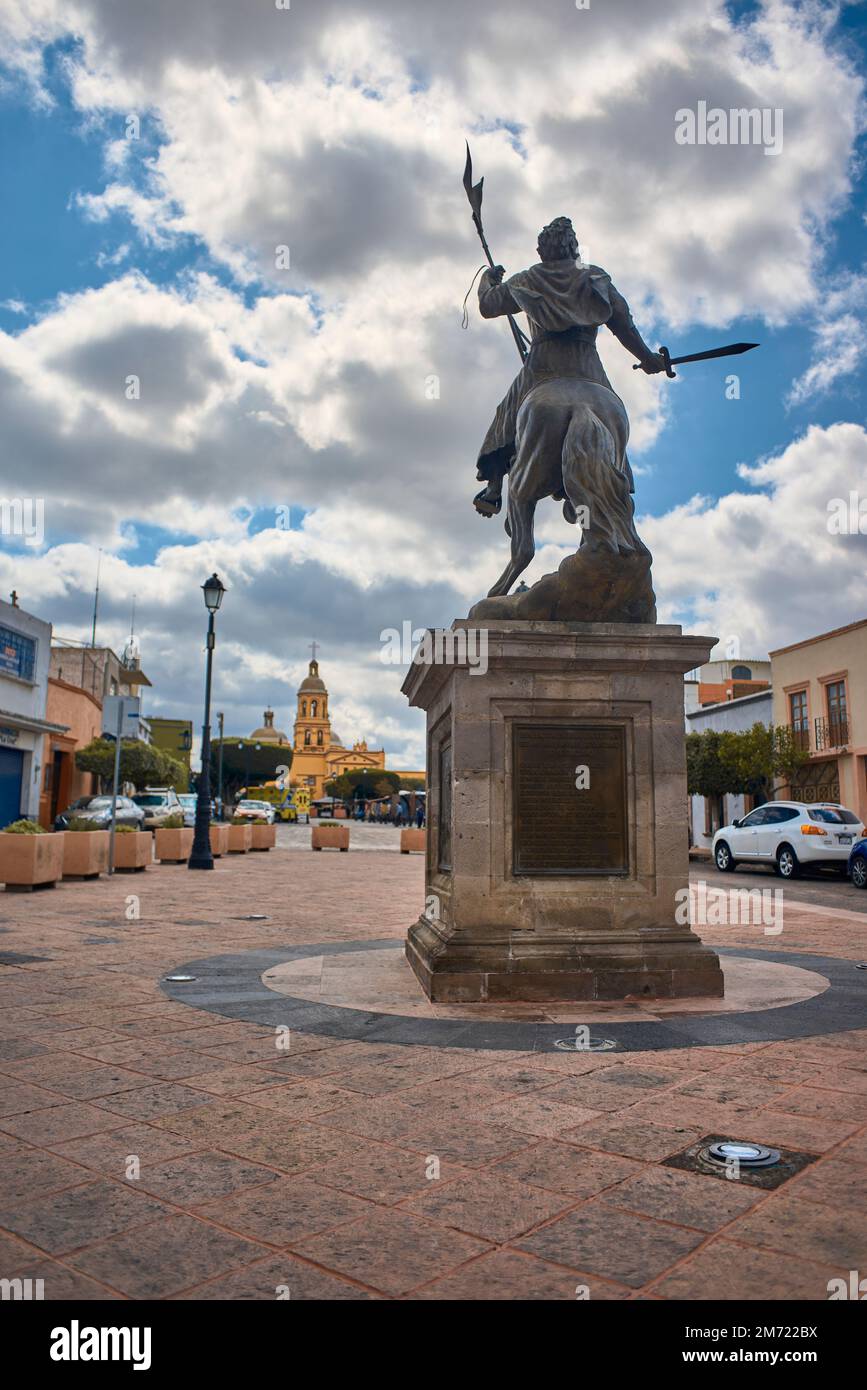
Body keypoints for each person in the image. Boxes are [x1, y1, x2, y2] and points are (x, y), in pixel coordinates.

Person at [473, 216, 666, 519]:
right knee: (611, 412)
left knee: (506, 415)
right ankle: (618, 478)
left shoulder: (529, 279)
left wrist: (488, 280)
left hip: (543, 367)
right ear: (574, 247)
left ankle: (494, 486)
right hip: (588, 367)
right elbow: (624, 326)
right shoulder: (594, 277)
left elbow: (488, 306)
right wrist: (648, 358)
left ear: (542, 252)